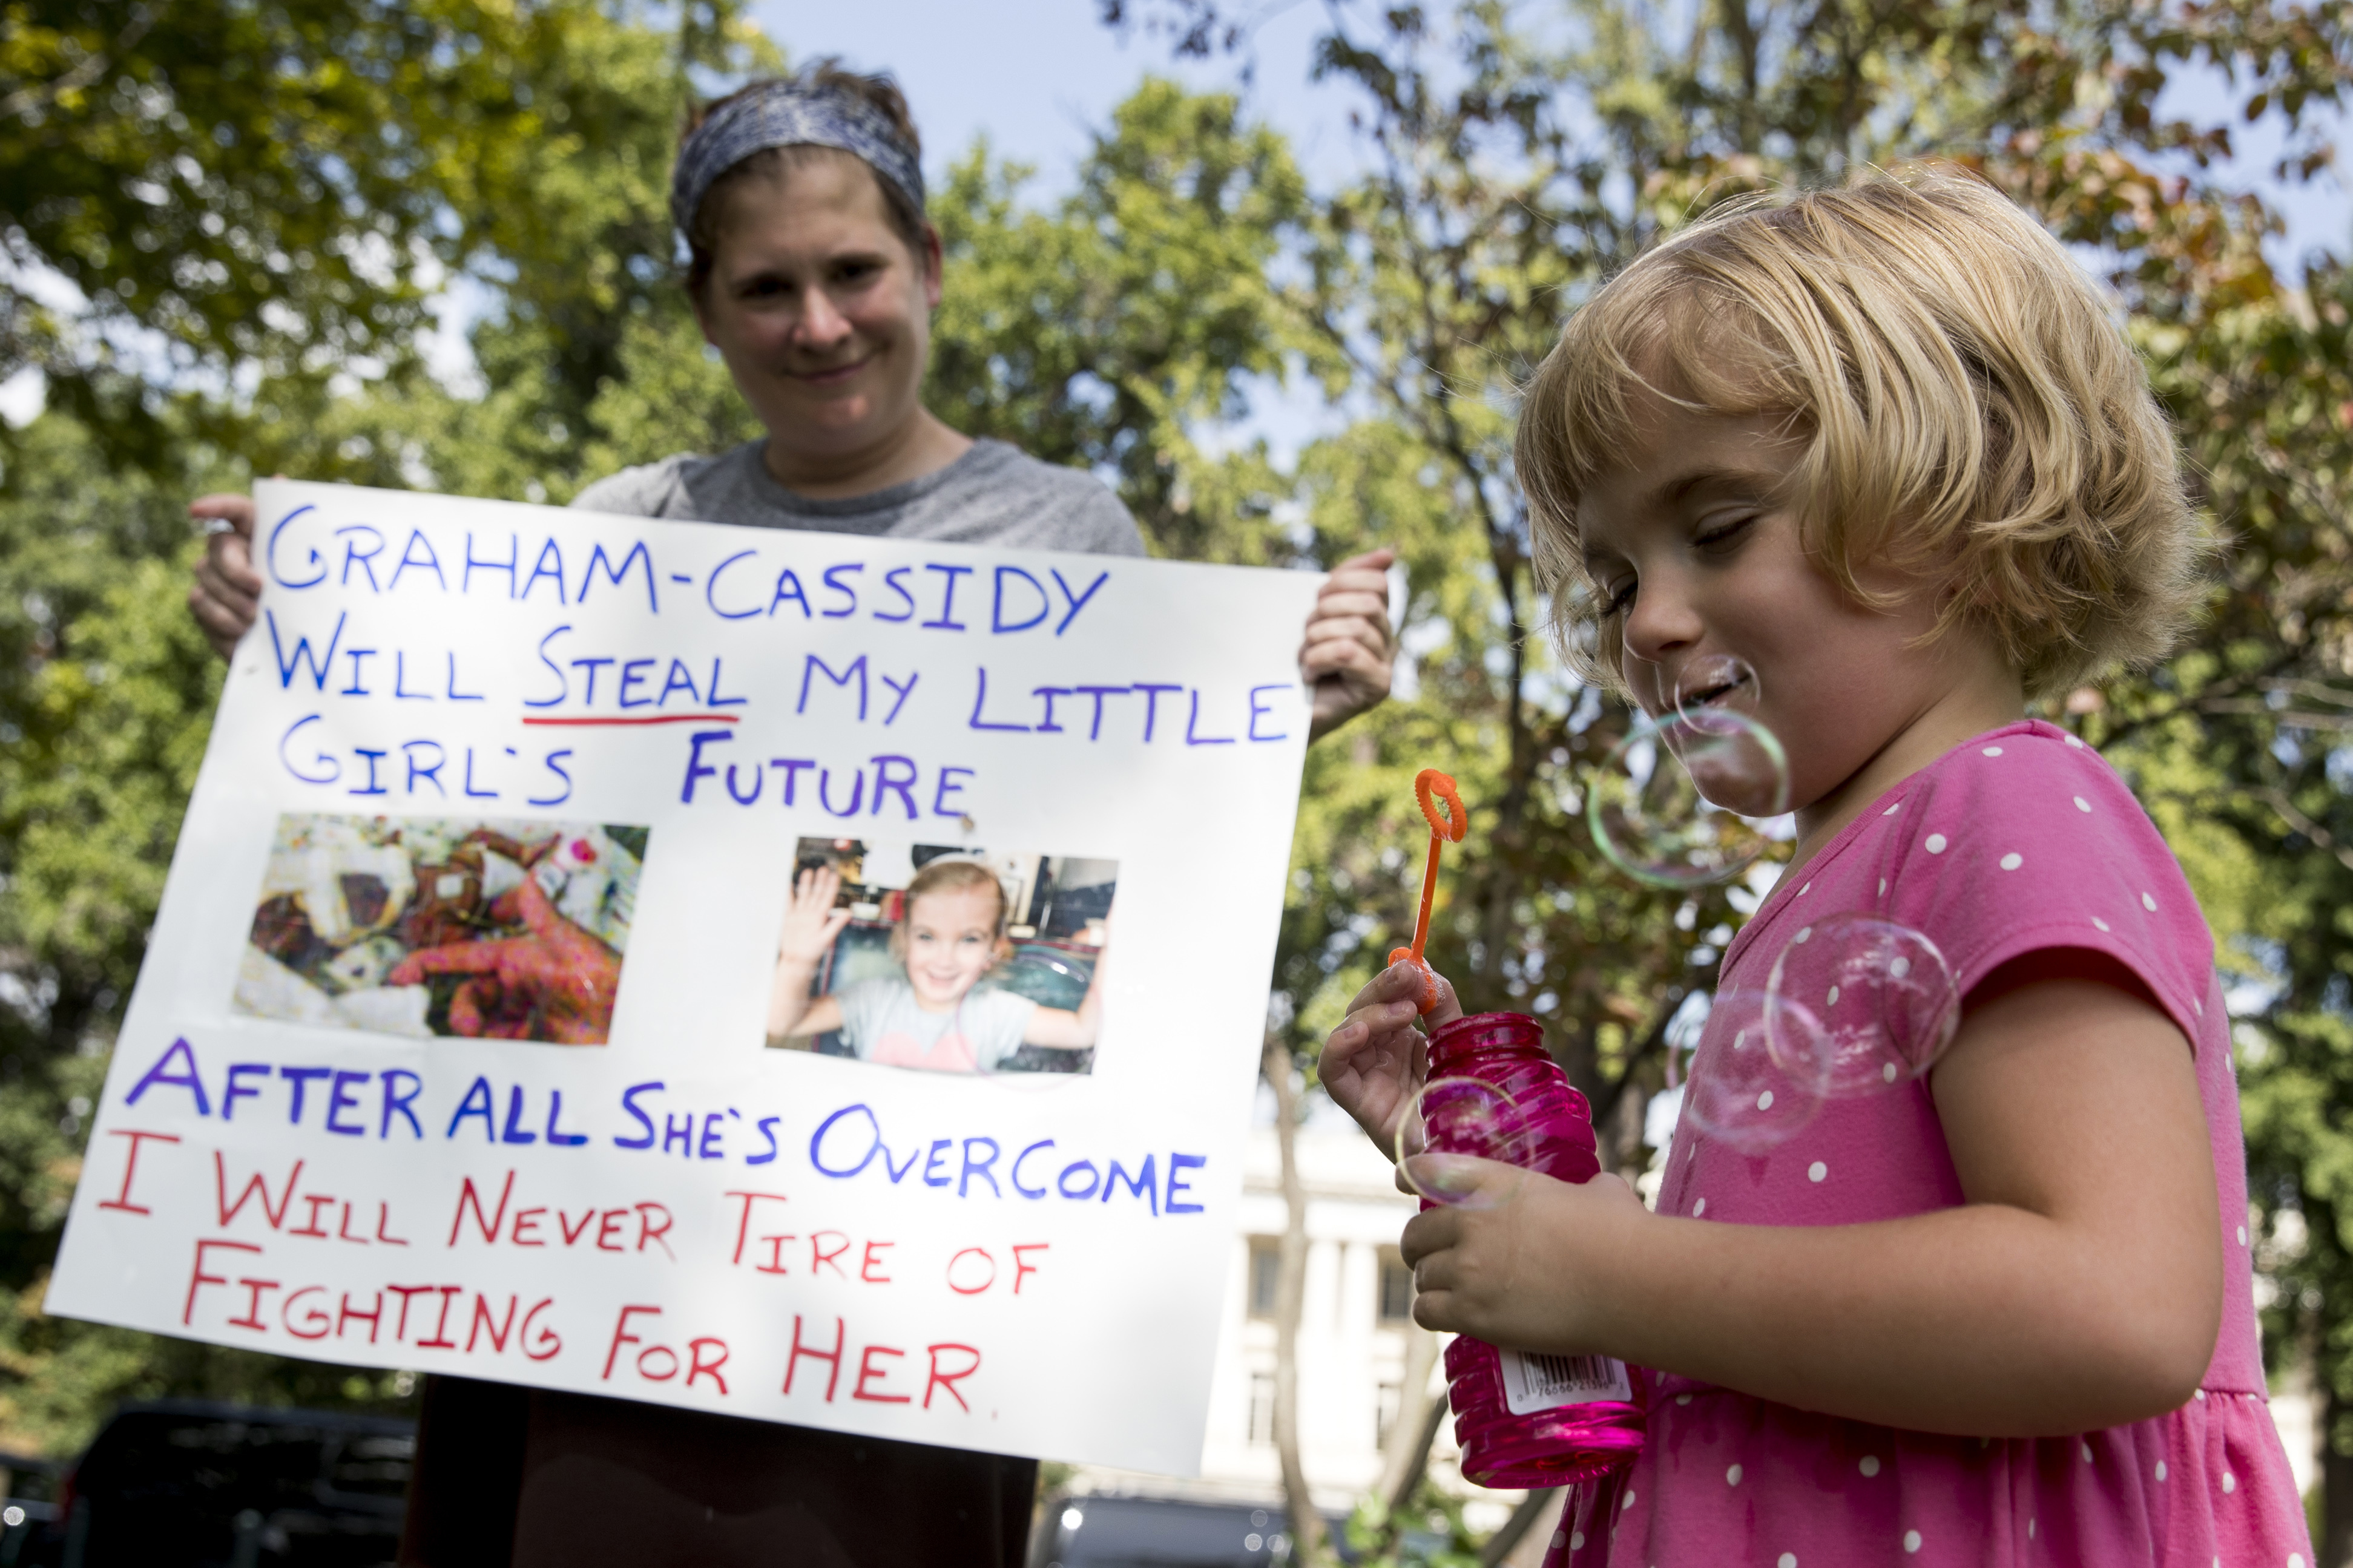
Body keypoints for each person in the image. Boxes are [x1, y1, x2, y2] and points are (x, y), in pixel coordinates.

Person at [183, 62, 1395, 1567]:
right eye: (766, 288)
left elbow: (1131, 887)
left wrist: (1277, 721)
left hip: (891, 1337)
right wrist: (295, 647)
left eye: (853, 271)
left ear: (930, 268)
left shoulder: (1071, 538)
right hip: (580, 1308)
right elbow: (457, 820)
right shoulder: (632, 526)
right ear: (704, 310)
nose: (818, 325)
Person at [1321, 169, 2314, 1566]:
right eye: (1614, 581)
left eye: (1717, 528)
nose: (1651, 621)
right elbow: (1776, 1319)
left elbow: (2118, 1305)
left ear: (1964, 493)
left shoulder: (2005, 807)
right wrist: (1506, 1189)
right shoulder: (1839, 885)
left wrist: (1616, 1273)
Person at [766, 859, 1106, 1070]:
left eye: (969, 939)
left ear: (995, 947)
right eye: (927, 937)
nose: (945, 960)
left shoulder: (997, 1012)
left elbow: (1082, 1031)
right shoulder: (873, 1000)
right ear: (904, 939)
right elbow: (784, 1025)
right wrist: (797, 961)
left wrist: (1116, 951)